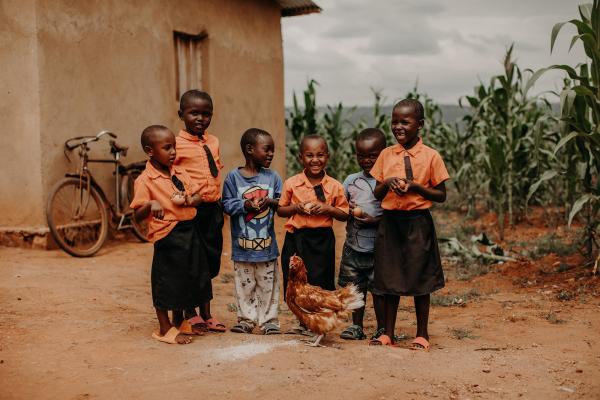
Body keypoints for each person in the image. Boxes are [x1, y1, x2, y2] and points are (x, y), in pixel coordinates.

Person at [369, 99, 449, 351]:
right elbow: (377, 193)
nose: (398, 127)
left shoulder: (431, 156)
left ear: (420, 125)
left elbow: (441, 195)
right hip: (391, 223)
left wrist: (415, 187)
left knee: (420, 279)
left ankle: (422, 334)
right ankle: (388, 333)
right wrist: (389, 181)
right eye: (394, 121)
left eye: (405, 121)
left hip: (417, 224)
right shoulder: (386, 154)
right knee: (390, 278)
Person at [130, 125, 212, 344]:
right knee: (167, 280)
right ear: (150, 151)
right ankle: (164, 327)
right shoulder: (145, 180)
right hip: (167, 235)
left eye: (174, 146)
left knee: (189, 276)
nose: (173, 152)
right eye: (167, 148)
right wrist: (150, 205)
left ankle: (179, 321)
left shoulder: (180, 172)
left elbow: (197, 197)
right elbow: (136, 216)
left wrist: (189, 199)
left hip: (189, 231)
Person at [278, 134, 349, 334]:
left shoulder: (335, 186)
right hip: (296, 238)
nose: (315, 160)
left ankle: (319, 323)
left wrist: (327, 208)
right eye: (309, 155)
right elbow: (281, 210)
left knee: (320, 280)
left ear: (327, 156)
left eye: (320, 155)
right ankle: (303, 322)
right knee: (295, 282)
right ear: (301, 157)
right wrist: (296, 208)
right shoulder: (292, 183)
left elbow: (344, 214)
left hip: (321, 240)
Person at [174, 90, 226, 333]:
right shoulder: (175, 145)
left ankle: (206, 312)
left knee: (210, 262)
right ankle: (191, 312)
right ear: (181, 114)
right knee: (191, 263)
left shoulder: (213, 141)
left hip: (212, 210)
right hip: (191, 212)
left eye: (206, 114)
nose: (200, 118)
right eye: (194, 113)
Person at [222, 128, 282, 335]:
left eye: (273, 150)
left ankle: (269, 321)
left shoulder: (273, 178)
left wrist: (271, 202)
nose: (271, 154)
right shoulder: (233, 178)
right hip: (242, 247)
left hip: (267, 247)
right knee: (244, 286)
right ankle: (246, 319)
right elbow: (227, 204)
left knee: (268, 286)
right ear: (249, 150)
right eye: (267, 149)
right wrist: (245, 206)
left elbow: (283, 203)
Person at [337, 128, 386, 341]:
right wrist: (349, 211)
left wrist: (374, 220)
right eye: (361, 155)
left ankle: (383, 328)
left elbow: (393, 215)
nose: (366, 160)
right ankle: (356, 326)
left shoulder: (386, 182)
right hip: (353, 247)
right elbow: (341, 206)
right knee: (355, 288)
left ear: (383, 154)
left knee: (380, 290)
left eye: (372, 155)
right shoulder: (350, 181)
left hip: (380, 249)